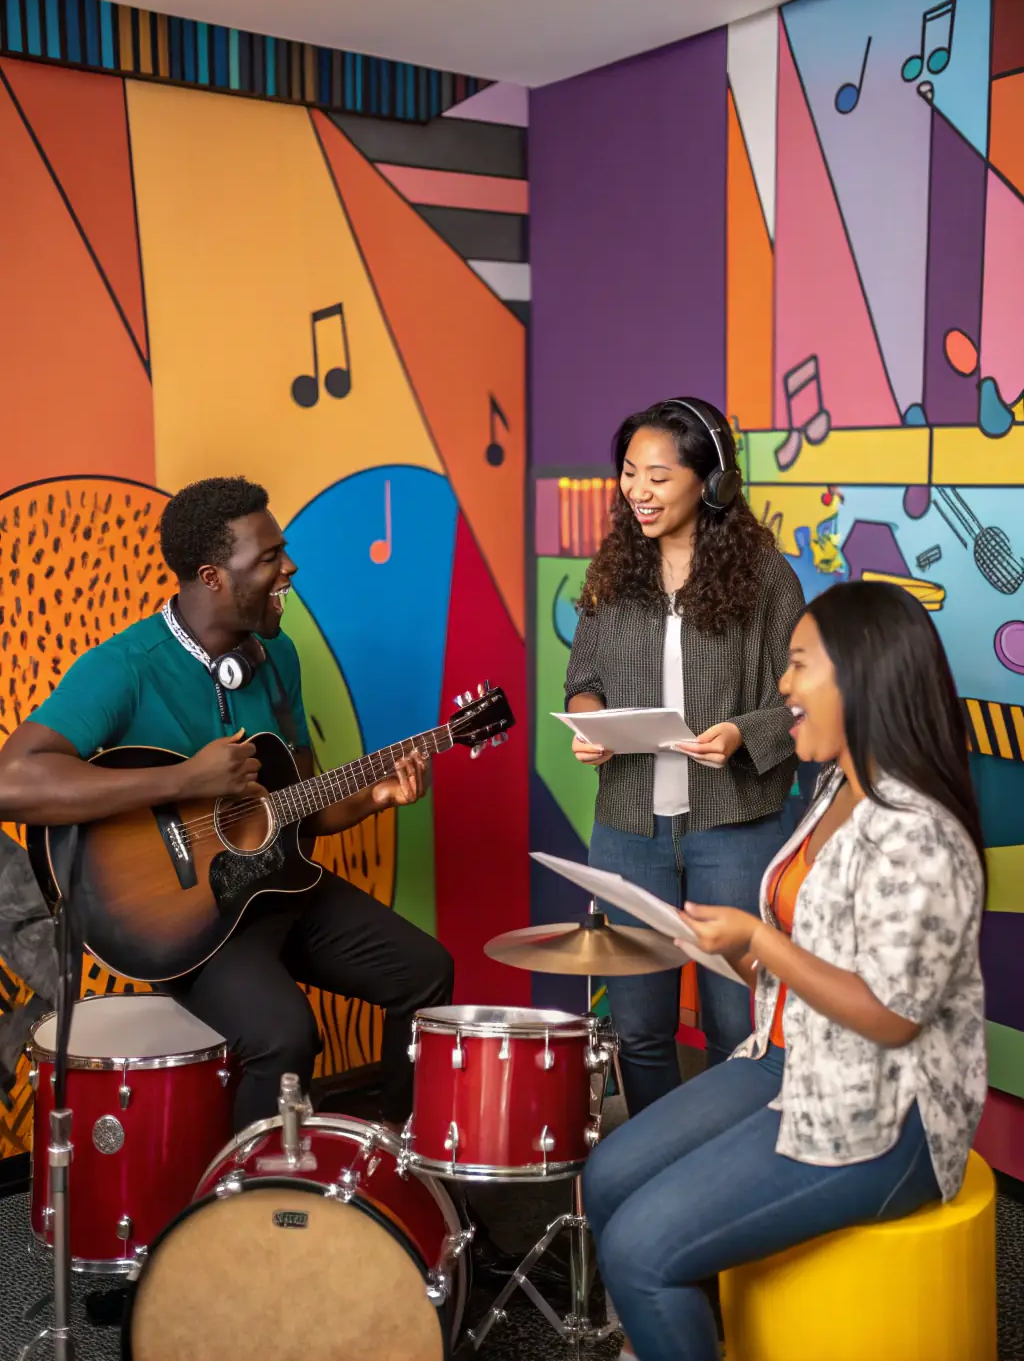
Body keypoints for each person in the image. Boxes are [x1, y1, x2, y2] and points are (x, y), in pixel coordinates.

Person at [583, 580, 988, 1361]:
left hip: (885, 1110)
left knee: (636, 1249)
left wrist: (759, 941)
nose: (783, 682)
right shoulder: (835, 787)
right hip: (788, 1057)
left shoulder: (921, 834)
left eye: (800, 663)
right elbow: (810, 957)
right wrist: (715, 945)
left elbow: (892, 1016)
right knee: (608, 1176)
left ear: (860, 675)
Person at [0, 476, 454, 1132]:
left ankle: (397, 1155)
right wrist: (185, 780)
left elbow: (297, 810)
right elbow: (12, 782)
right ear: (212, 577)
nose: (289, 568)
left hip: (272, 887)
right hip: (184, 922)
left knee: (425, 972)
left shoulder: (277, 658)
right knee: (284, 1035)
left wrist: (375, 797)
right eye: (269, 557)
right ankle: (244, 1194)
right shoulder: (127, 667)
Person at [565, 397, 804, 1113]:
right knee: (639, 1030)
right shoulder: (611, 573)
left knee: (738, 1030)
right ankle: (655, 1159)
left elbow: (802, 704)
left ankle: (731, 1165)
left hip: (734, 828)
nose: (637, 490)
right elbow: (584, 680)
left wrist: (741, 735)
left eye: (659, 476)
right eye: (629, 473)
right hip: (627, 830)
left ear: (712, 482)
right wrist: (590, 721)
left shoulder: (767, 578)